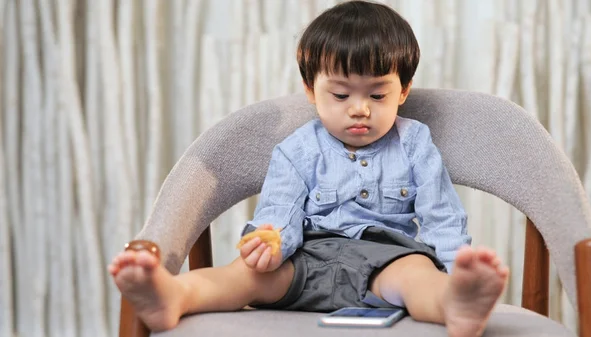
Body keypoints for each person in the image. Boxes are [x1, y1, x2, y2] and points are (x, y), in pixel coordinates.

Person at [108, 1, 509, 336]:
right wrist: (270, 242)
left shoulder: (415, 143)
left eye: (377, 93)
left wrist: (459, 270)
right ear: (310, 90)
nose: (359, 108)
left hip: (387, 261)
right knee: (241, 276)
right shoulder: (298, 148)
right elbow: (279, 210)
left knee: (419, 277)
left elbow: (442, 216)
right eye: (339, 93)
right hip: (307, 257)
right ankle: (174, 295)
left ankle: (456, 303)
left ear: (403, 90)